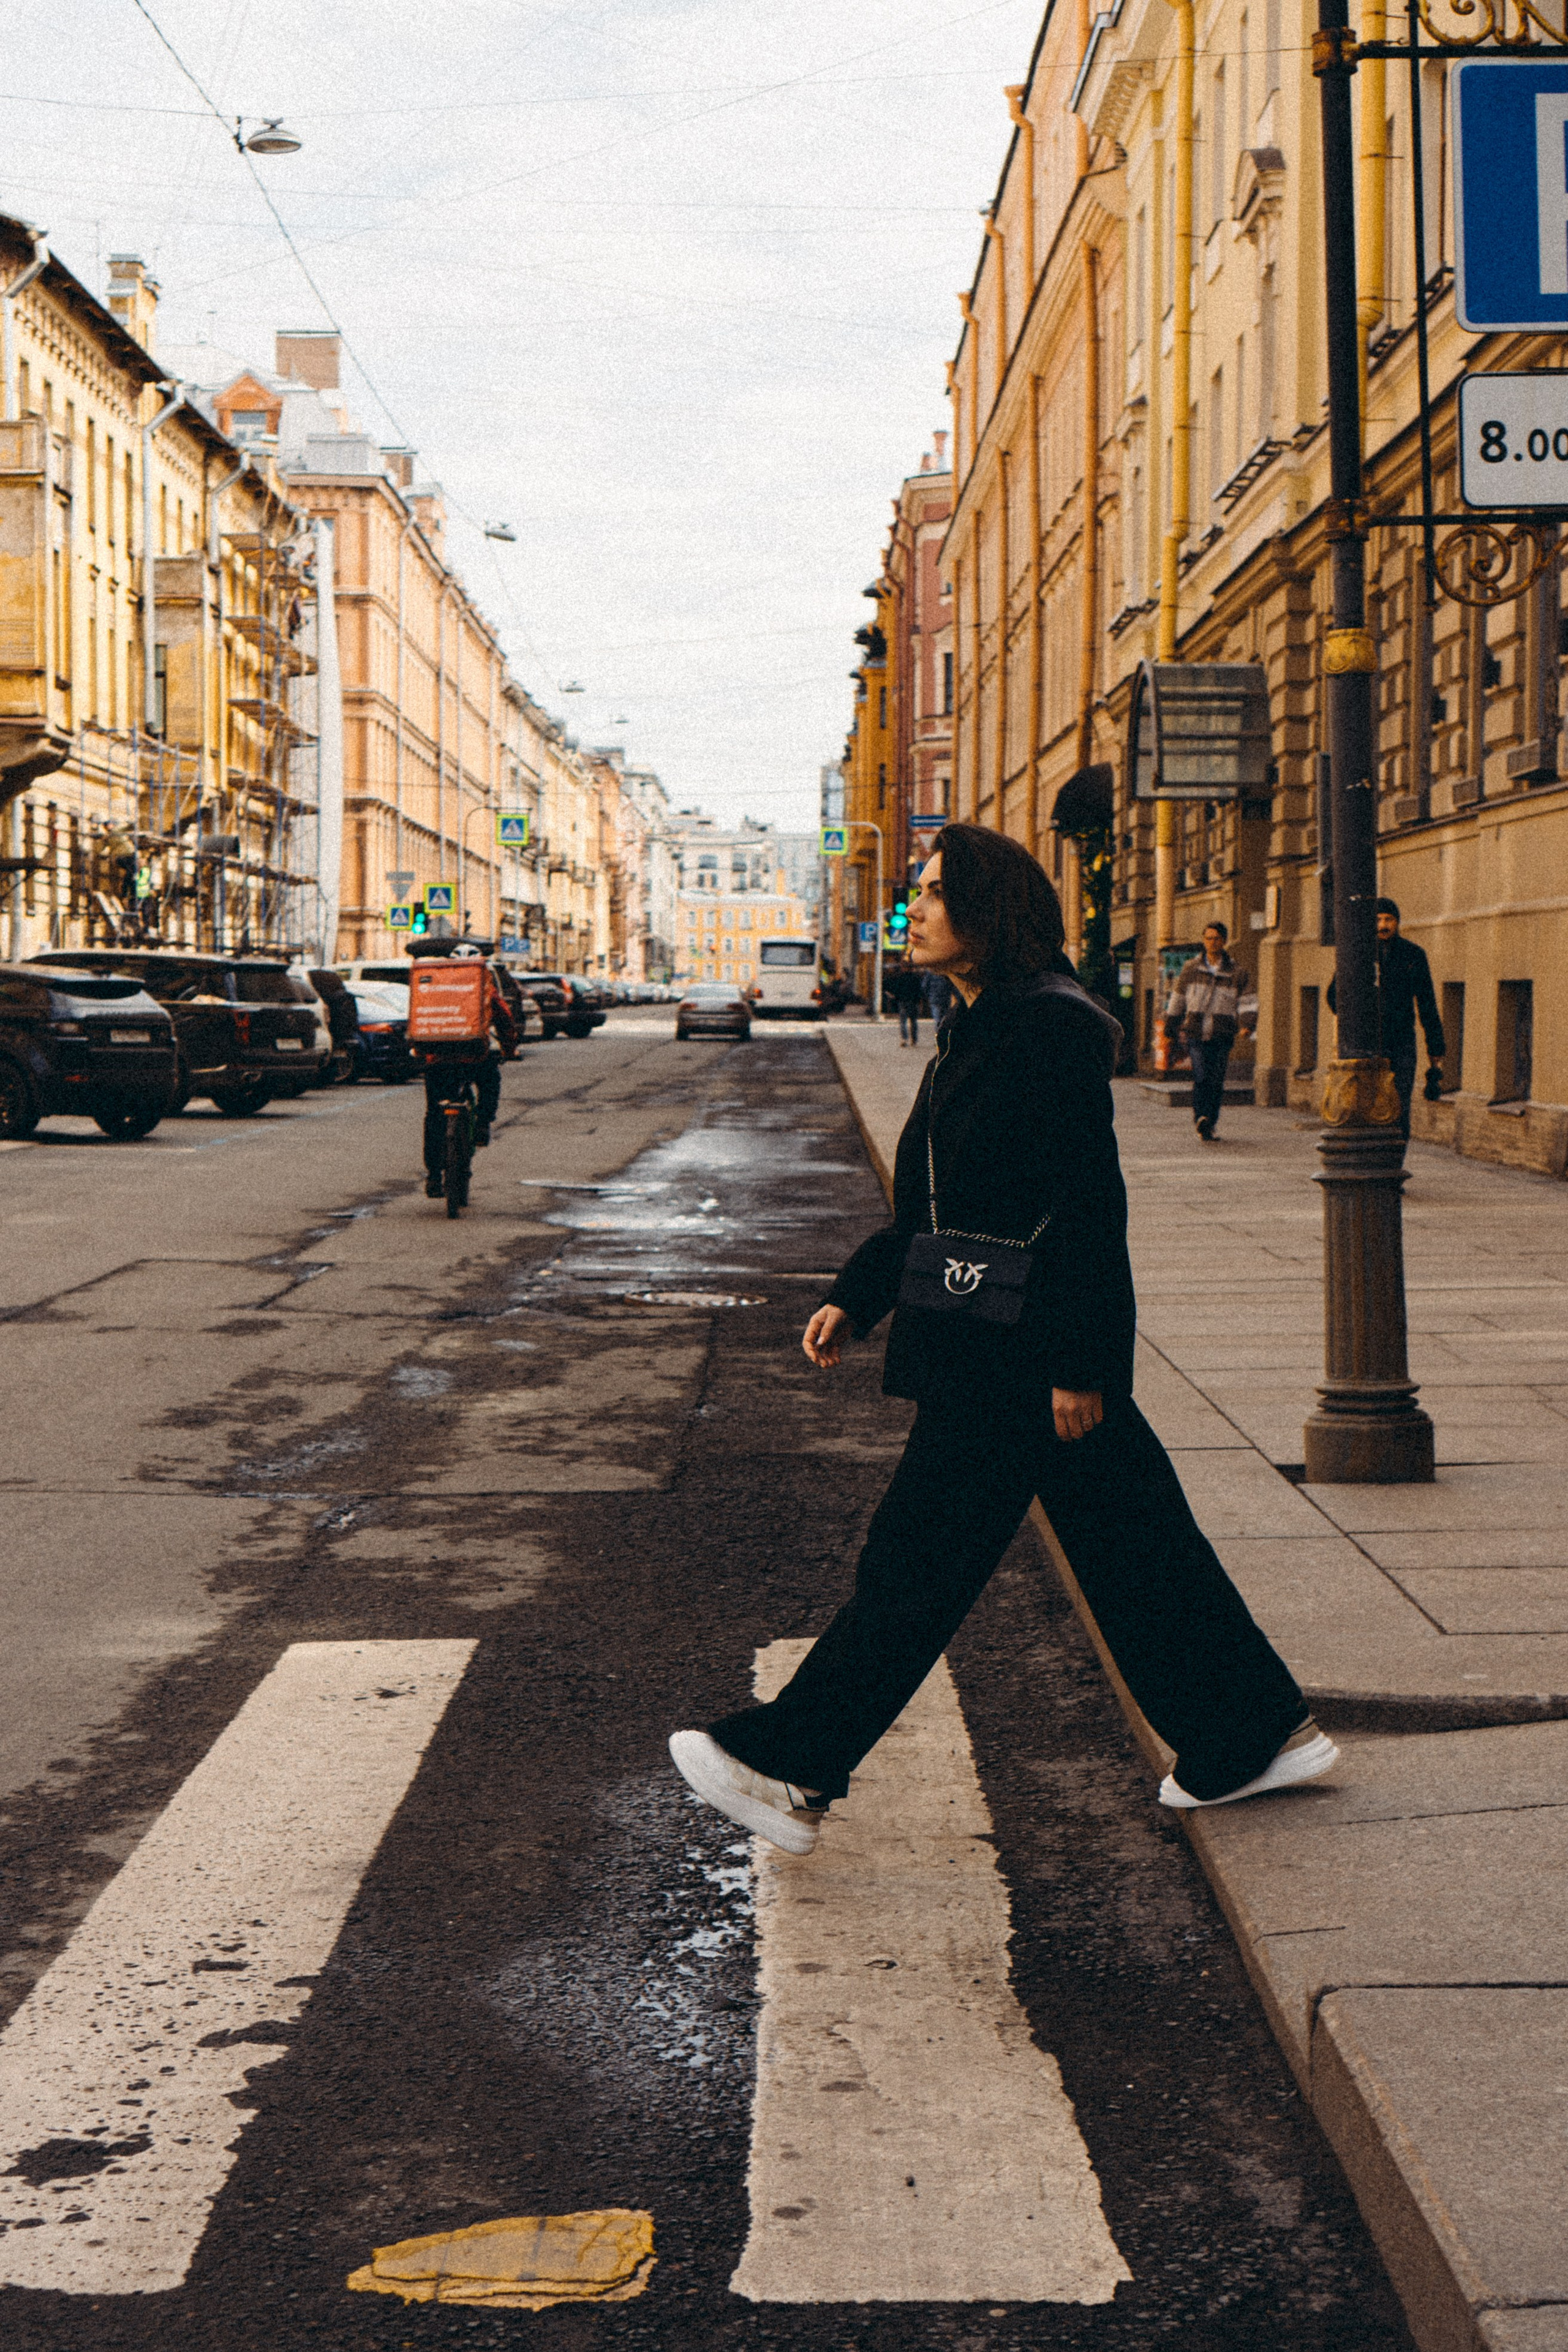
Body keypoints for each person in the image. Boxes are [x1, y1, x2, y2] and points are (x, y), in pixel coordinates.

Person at [668, 823, 1336, 1855]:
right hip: (984, 1333)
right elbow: (936, 1198)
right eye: (917, 893)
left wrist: (1084, 1363)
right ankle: (1254, 1730)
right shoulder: (975, 1027)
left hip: (1020, 1353)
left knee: (917, 1560)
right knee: (1137, 1546)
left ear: (992, 911)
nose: (916, 911)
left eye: (935, 893)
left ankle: (792, 1759)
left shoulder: (1048, 1027)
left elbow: (1085, 1204)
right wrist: (861, 1293)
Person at [1327, 898, 1444, 1145]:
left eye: (1389, 920)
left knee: (1399, 1104)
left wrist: (1436, 1049)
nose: (1383, 925)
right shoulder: (1359, 955)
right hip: (1367, 1043)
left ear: (1397, 922)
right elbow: (1334, 995)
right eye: (1378, 920)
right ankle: (1371, 1156)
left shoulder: (1413, 955)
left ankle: (1395, 1161)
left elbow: (1427, 1004)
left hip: (1401, 1041)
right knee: (1367, 1104)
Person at [417, 944, 519, 1198]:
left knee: (434, 1116)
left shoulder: (431, 990)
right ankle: (483, 1124)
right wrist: (509, 1048)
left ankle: (433, 1177)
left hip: (439, 1061)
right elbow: (505, 1020)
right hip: (476, 1058)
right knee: (490, 1080)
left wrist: (420, 1051)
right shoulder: (485, 991)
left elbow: (419, 1018)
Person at [1166, 922, 1246, 1140]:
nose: (1213, 942)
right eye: (1209, 938)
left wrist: (1248, 1024)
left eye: (1217, 938)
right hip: (1196, 1031)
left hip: (1222, 1032)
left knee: (1217, 1080)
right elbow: (1179, 997)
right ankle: (1201, 1118)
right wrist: (1171, 1023)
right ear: (1204, 941)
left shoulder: (1235, 971)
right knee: (1201, 1077)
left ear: (1224, 941)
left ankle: (1210, 1122)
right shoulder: (1191, 968)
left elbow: (1246, 1000)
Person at [890, 960, 924, 1048]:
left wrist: (896, 998)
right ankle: (914, 1040)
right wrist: (919, 1001)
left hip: (903, 1002)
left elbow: (896, 990)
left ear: (903, 968)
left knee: (903, 1021)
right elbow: (920, 990)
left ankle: (904, 1039)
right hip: (913, 1002)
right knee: (913, 1022)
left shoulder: (900, 977)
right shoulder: (916, 978)